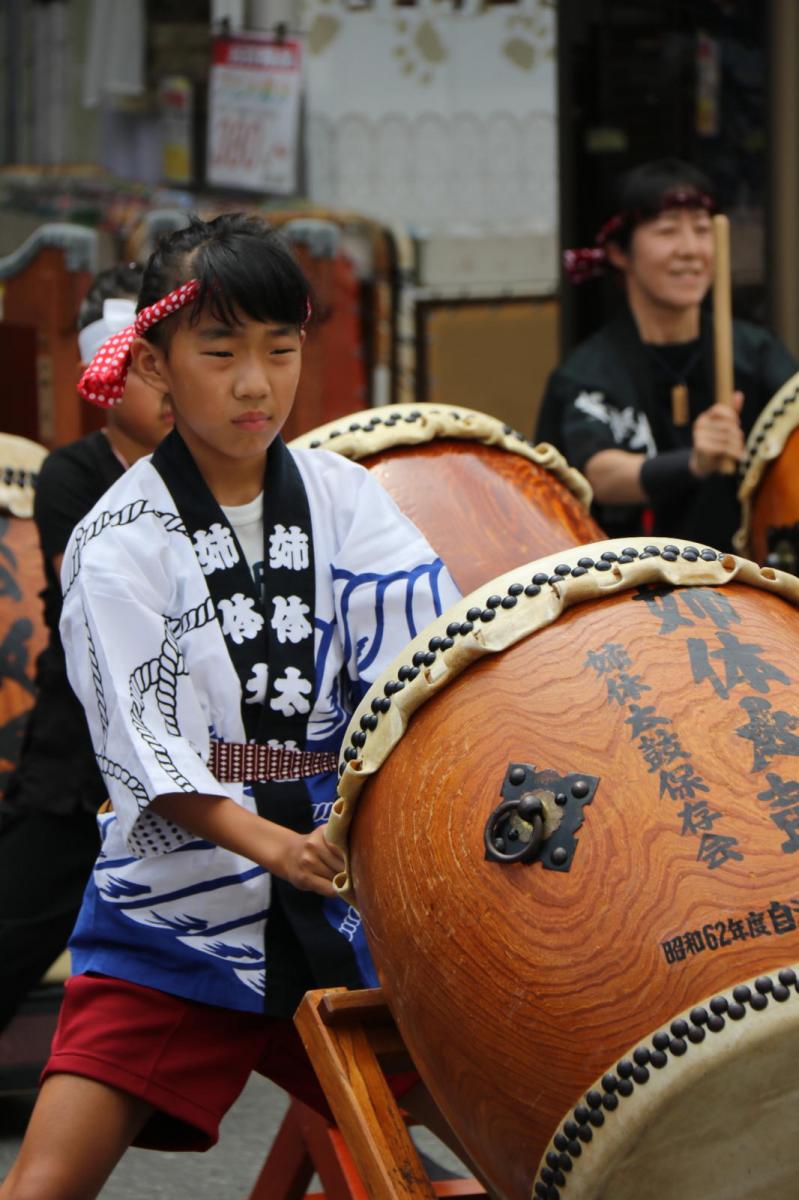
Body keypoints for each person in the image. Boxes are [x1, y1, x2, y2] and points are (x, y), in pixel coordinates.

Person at [0, 213, 462, 1200]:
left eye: (280, 349)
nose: (256, 383)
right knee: (44, 1185)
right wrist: (274, 846)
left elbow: (425, 666)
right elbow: (141, 749)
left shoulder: (350, 500)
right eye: (221, 351)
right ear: (158, 360)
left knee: (521, 1139)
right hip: (182, 911)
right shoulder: (117, 540)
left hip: (348, 897)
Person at [0, 263, 174, 1035]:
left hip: (199, 751)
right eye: (147, 372)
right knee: (14, 924)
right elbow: (102, 595)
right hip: (84, 748)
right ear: (106, 379)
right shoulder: (74, 474)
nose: (170, 391)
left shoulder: (233, 471)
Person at [536, 158, 799, 549]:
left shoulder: (755, 353)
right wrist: (695, 461)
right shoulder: (590, 372)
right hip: (634, 588)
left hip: (747, 579)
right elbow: (600, 473)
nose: (691, 250)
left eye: (701, 230)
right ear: (619, 252)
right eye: (667, 231)